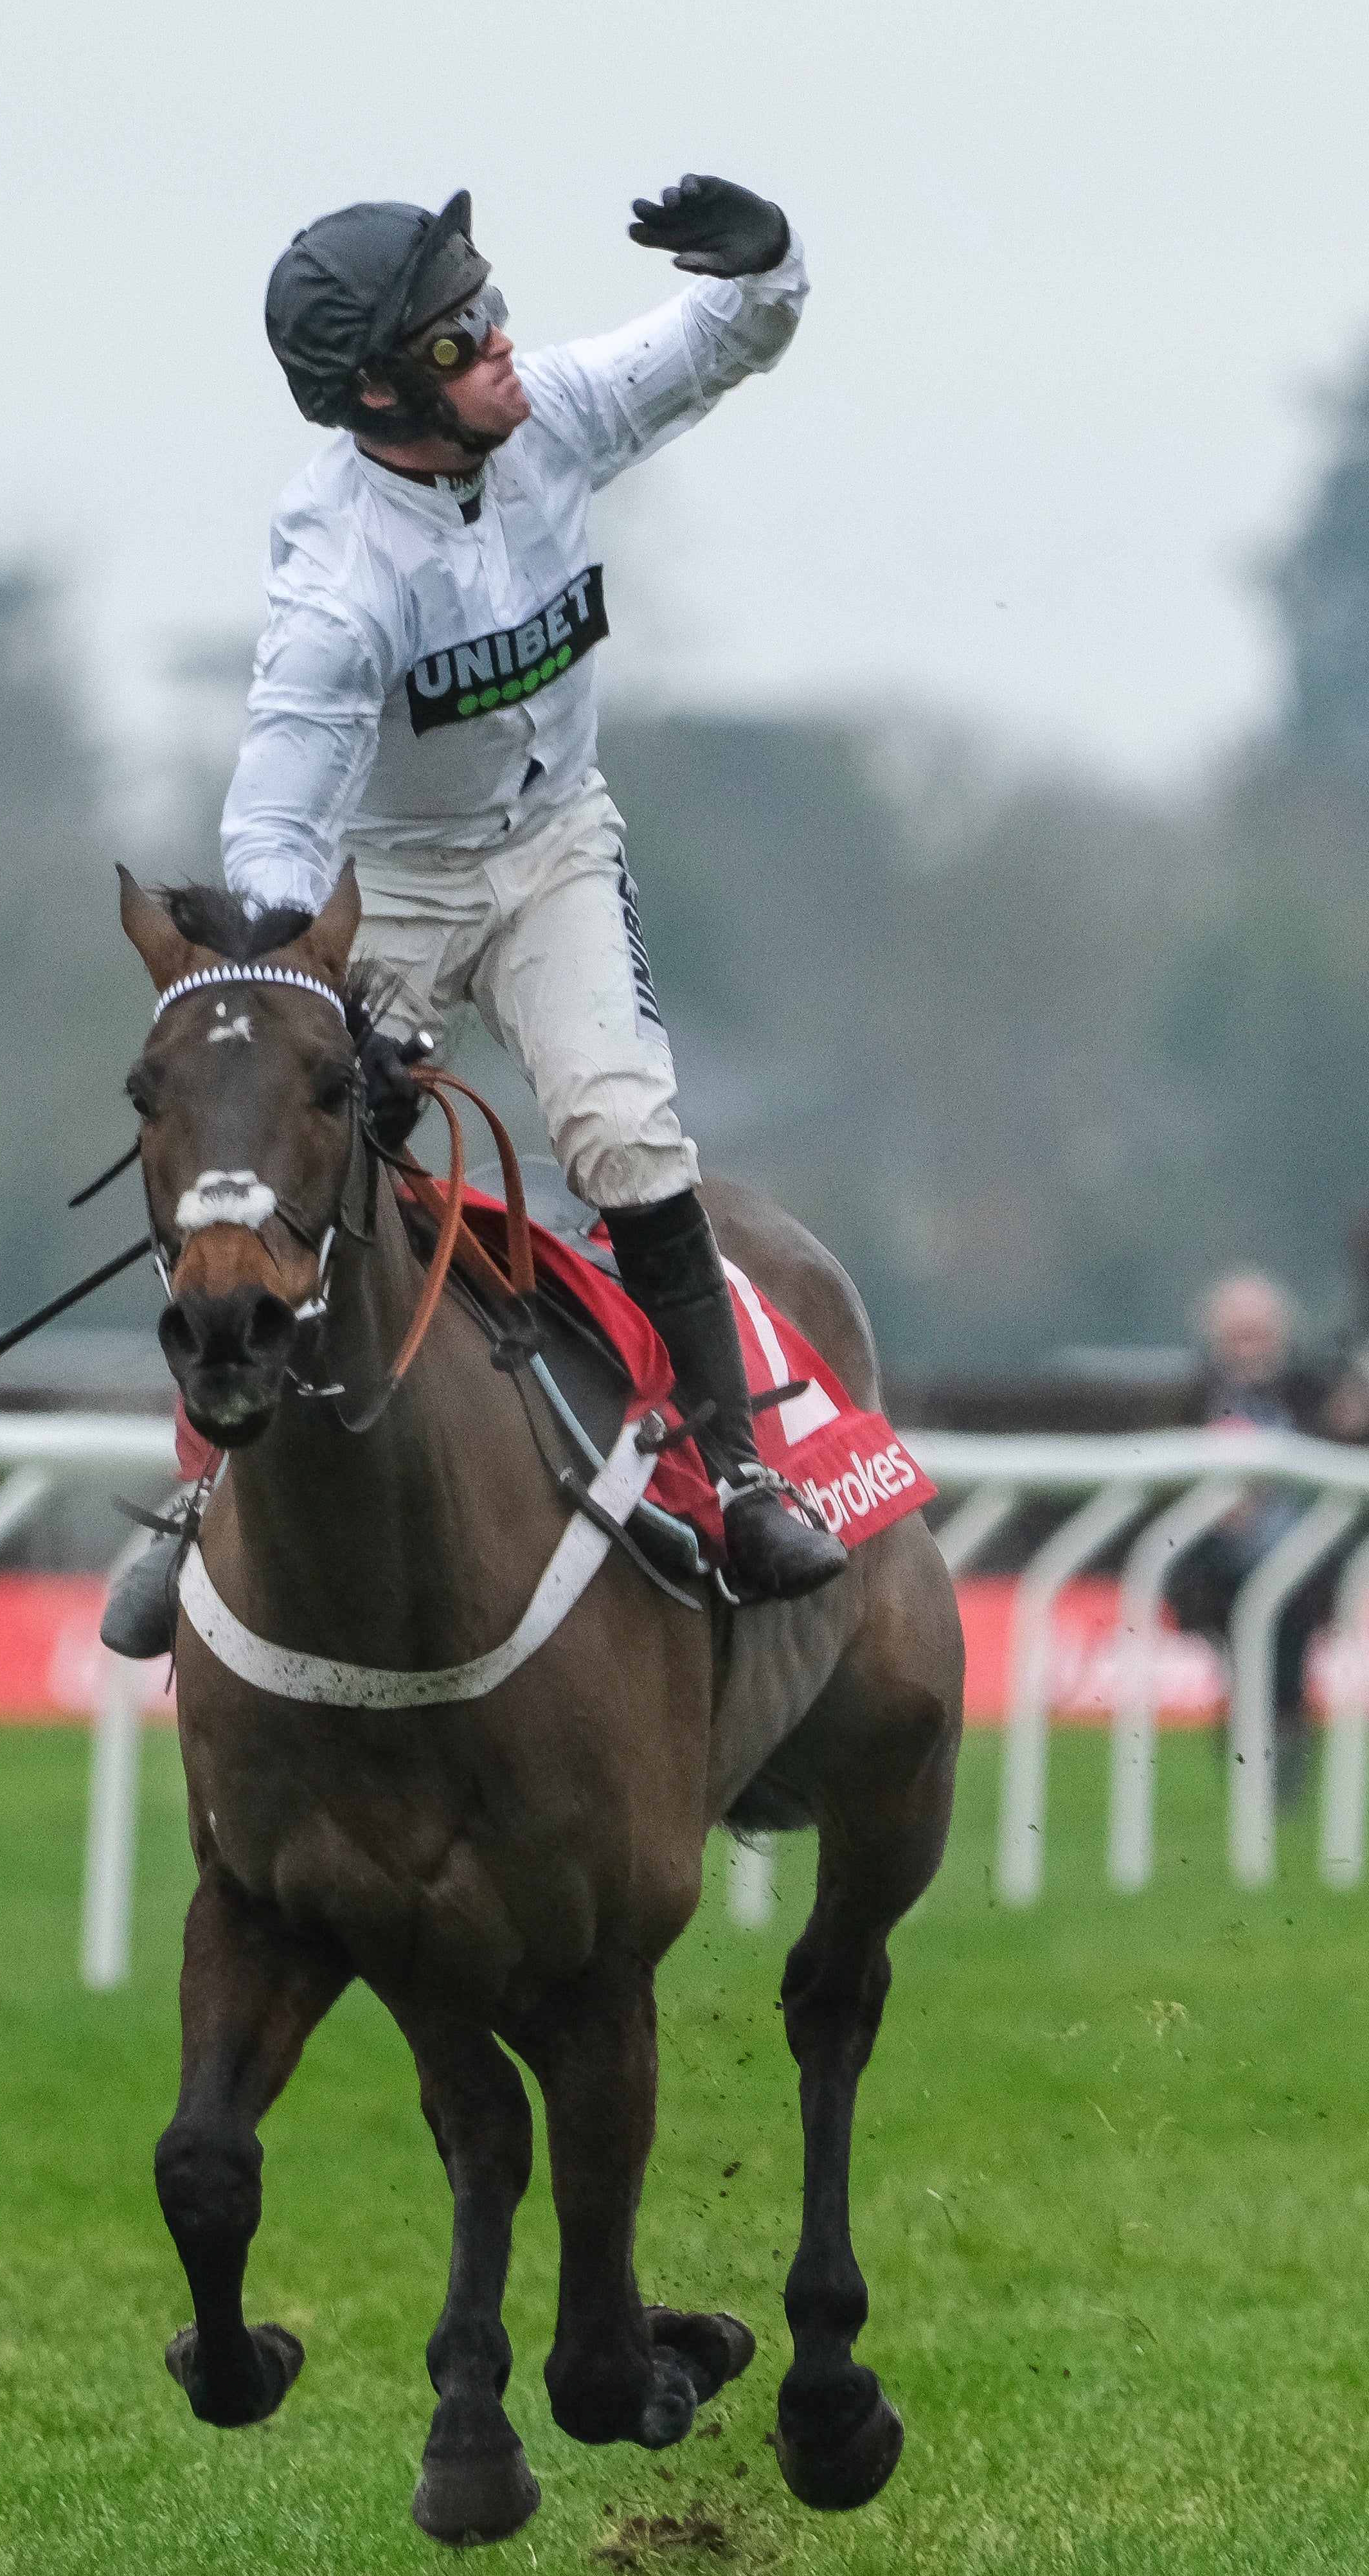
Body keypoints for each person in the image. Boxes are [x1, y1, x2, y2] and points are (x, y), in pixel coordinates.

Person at [102, 173, 840, 1657]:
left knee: (624, 1132)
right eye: (460, 337)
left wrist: (764, 264)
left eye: (490, 307)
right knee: (279, 1147)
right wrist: (300, 997)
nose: (502, 341)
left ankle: (744, 1475)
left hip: (556, 846)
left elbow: (715, 345)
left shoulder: (550, 410)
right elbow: (278, 827)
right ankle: (198, 1492)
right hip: (391, 884)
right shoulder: (338, 581)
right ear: (380, 393)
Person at [1161, 1270, 1369, 1803]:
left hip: (1302, 1561)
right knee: (1241, 1668)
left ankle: (1283, 1780)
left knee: (1287, 1666)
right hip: (1222, 1566)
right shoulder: (1193, 1394)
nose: (1249, 1347)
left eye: (1258, 1334)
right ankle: (1250, 1769)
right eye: (1239, 1335)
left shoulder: (1315, 1389)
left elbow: (1361, 1451)